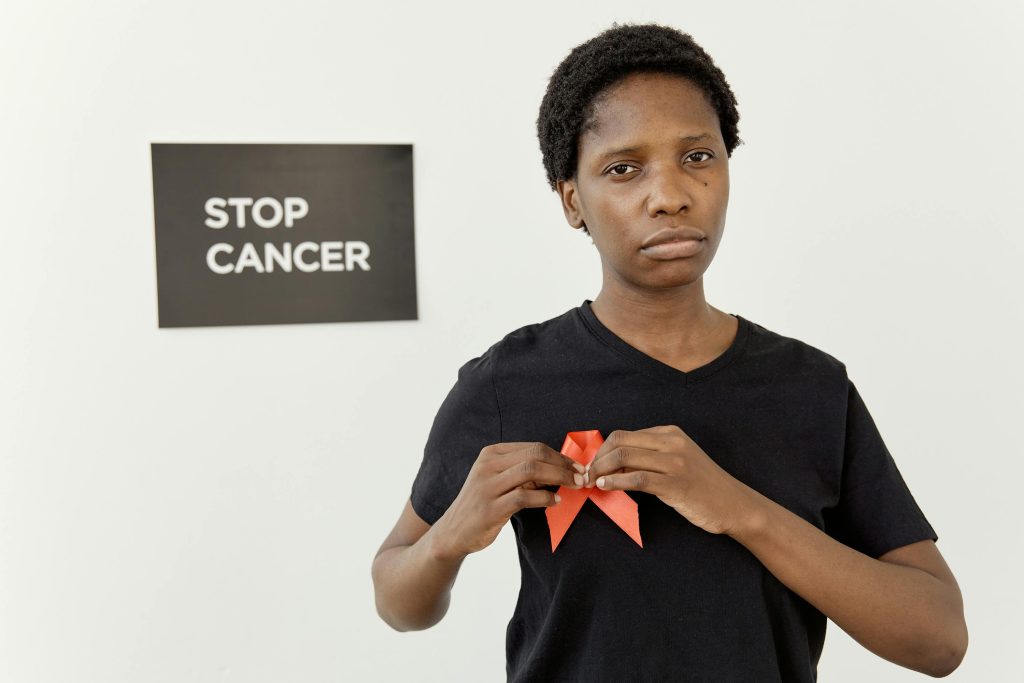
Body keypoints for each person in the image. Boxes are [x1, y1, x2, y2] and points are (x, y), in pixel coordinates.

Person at [370, 21, 967, 681]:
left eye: (698, 157)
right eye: (623, 169)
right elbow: (398, 602)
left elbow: (939, 640)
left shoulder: (812, 388)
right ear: (573, 200)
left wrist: (737, 507)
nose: (670, 197)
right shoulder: (507, 383)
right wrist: (450, 537)